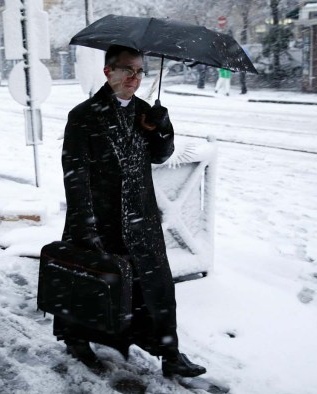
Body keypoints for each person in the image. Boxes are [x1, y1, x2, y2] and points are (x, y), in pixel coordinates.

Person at [57, 45, 206, 378]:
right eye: (127, 70)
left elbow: (160, 155)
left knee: (156, 286)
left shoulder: (144, 111)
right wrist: (85, 223)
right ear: (108, 71)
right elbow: (75, 173)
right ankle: (76, 338)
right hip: (100, 217)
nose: (134, 78)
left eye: (139, 71)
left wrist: (162, 126)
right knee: (91, 283)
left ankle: (169, 352)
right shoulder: (84, 115)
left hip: (141, 216)